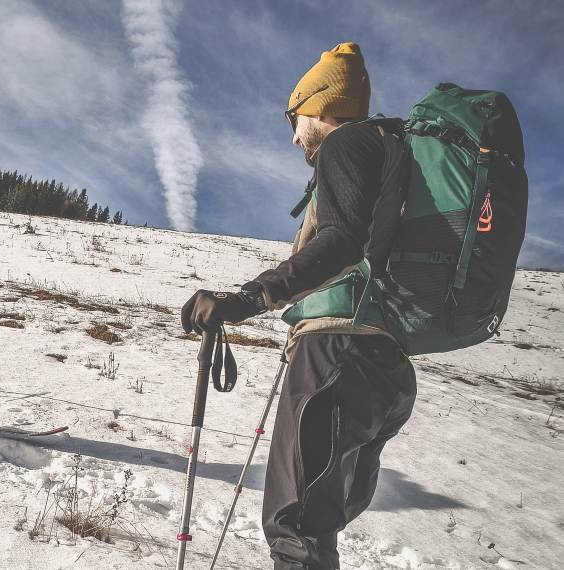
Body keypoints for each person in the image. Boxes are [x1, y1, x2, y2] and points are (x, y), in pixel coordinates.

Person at [181, 43, 416, 569]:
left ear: (323, 104)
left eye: (296, 116)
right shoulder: (390, 150)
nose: (294, 135)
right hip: (387, 365)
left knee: (297, 530)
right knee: (315, 525)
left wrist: (246, 298)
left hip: (336, 353)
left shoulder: (347, 143)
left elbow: (341, 239)